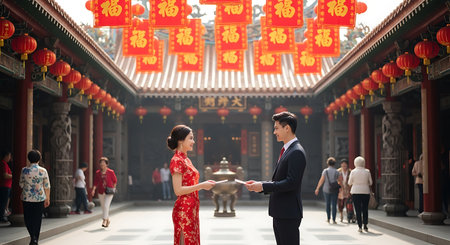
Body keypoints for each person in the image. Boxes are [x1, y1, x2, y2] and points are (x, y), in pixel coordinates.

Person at [245, 111, 307, 245]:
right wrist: (260, 185)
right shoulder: (288, 150)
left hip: (288, 212)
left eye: (276, 128)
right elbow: (280, 180)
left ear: (287, 128)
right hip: (281, 212)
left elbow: (291, 183)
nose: (274, 132)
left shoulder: (296, 152)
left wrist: (263, 186)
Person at [167, 125, 216, 245]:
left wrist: (203, 185)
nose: (193, 142)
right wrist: (201, 186)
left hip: (192, 207)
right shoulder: (177, 160)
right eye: (190, 138)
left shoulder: (186, 160)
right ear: (180, 140)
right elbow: (178, 191)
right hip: (184, 208)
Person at [19, 150, 50, 245]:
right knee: (37, 219)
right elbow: (47, 186)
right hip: (39, 198)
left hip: (27, 197)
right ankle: (35, 239)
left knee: (28, 219)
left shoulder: (24, 170)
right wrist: (47, 198)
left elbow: (21, 184)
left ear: (28, 159)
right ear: (39, 159)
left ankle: (33, 237)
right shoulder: (43, 170)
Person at [348, 156, 373, 232]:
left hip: (355, 192)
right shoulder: (367, 171)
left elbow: (349, 183)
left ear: (355, 163)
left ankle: (359, 226)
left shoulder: (353, 172)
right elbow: (371, 182)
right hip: (365, 191)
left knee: (357, 209)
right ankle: (365, 225)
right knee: (365, 209)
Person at [92, 157, 117, 228]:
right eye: (101, 163)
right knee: (103, 207)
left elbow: (115, 181)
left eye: (103, 163)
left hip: (109, 191)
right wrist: (93, 189)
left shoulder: (111, 172)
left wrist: (114, 188)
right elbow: (96, 182)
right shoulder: (98, 173)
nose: (102, 164)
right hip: (101, 191)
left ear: (106, 164)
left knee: (106, 206)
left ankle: (104, 220)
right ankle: (108, 220)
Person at [314, 157, 340, 224]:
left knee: (327, 204)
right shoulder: (337, 171)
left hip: (326, 189)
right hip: (334, 189)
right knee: (334, 204)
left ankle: (328, 218)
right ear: (334, 164)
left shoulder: (325, 171)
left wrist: (317, 188)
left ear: (328, 163)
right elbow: (340, 181)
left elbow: (322, 180)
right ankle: (334, 219)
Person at [0, 150, 12, 222]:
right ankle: (1, 216)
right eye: (9, 156)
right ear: (6, 156)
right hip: (4, 185)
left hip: (6, 186)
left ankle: (3, 214)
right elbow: (5, 175)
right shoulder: (3, 164)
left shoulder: (5, 164)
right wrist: (13, 175)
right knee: (3, 202)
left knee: (4, 201)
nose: (10, 158)